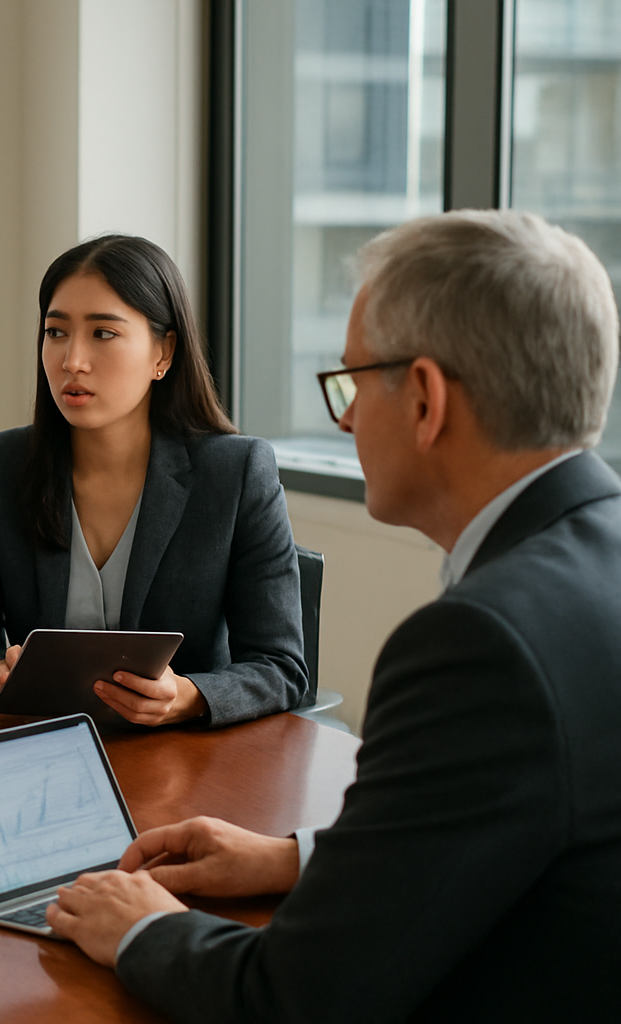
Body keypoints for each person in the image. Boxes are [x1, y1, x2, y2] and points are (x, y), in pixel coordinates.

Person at [46, 210, 621, 1021]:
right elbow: (523, 833)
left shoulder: (480, 643)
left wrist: (141, 928)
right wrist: (296, 858)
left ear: (423, 397)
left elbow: (297, 997)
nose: (344, 420)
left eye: (349, 385)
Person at [0, 236, 306, 727]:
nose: (72, 361)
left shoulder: (236, 473)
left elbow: (282, 667)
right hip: (41, 751)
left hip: (186, 766)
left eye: (103, 334)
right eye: (56, 332)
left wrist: (189, 696)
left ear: (163, 352)